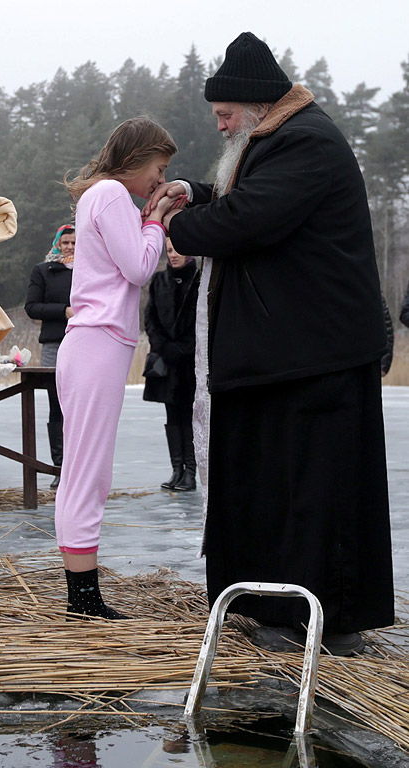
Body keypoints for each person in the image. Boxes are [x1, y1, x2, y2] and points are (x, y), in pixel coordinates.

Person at [146, 32, 394, 655]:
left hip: (317, 357)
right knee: (274, 490)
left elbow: (246, 219)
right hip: (285, 357)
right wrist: (196, 192)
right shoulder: (280, 140)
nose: (221, 125)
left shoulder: (308, 142)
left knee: (316, 497)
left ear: (257, 105)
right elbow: (237, 197)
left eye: (226, 115)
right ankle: (276, 605)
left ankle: (327, 620)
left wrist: (172, 221)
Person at [58, 116, 182, 619]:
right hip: (97, 343)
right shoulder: (110, 196)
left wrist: (147, 217)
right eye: (160, 166)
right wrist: (155, 220)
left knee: (88, 469)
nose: (160, 177)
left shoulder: (105, 198)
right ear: (136, 159)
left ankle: (82, 595)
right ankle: (83, 599)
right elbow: (137, 267)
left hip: (97, 343)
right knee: (88, 472)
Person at [143, 238, 199, 491]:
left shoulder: (199, 280)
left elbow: (203, 321)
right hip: (166, 359)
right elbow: (150, 318)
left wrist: (184, 348)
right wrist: (163, 346)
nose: (173, 255)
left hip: (190, 361)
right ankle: (176, 469)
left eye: (177, 249)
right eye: (168, 250)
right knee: (171, 415)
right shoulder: (159, 281)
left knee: (189, 416)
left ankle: (191, 471)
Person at [25, 224, 75, 489]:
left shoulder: (91, 269)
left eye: (75, 243)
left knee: (81, 408)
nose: (69, 247)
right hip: (54, 345)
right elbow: (32, 306)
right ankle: (60, 467)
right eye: (65, 242)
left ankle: (80, 467)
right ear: (58, 244)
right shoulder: (43, 270)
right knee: (57, 405)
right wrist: (63, 310)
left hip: (85, 344)